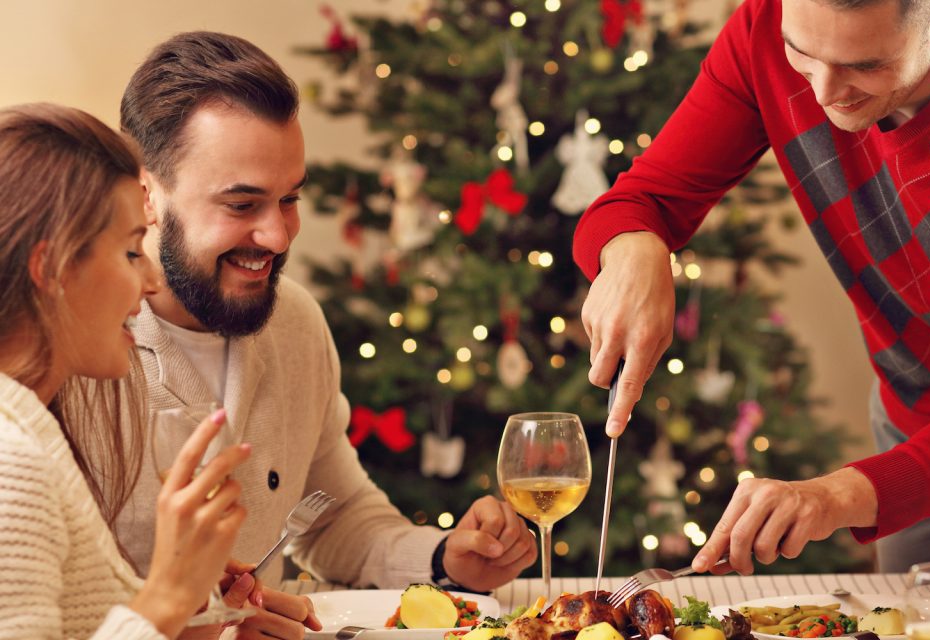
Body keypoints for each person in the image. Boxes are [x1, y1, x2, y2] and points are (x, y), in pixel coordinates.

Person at [572, 0, 930, 634]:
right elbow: (642, 199)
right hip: (908, 411)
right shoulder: (766, 28)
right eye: (803, 55)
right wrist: (635, 247)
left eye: (863, 65)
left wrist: (833, 496)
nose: (821, 92)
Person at [109, 31, 537, 638]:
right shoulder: (82, 345)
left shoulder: (293, 321)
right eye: (241, 205)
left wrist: (444, 559)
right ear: (146, 193)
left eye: (289, 199)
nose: (280, 237)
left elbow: (335, 518)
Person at [0, 103, 256, 639]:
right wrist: (166, 595)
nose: (151, 282)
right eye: (130, 251)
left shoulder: (31, 432)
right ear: (50, 268)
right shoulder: (11, 467)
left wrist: (193, 616)